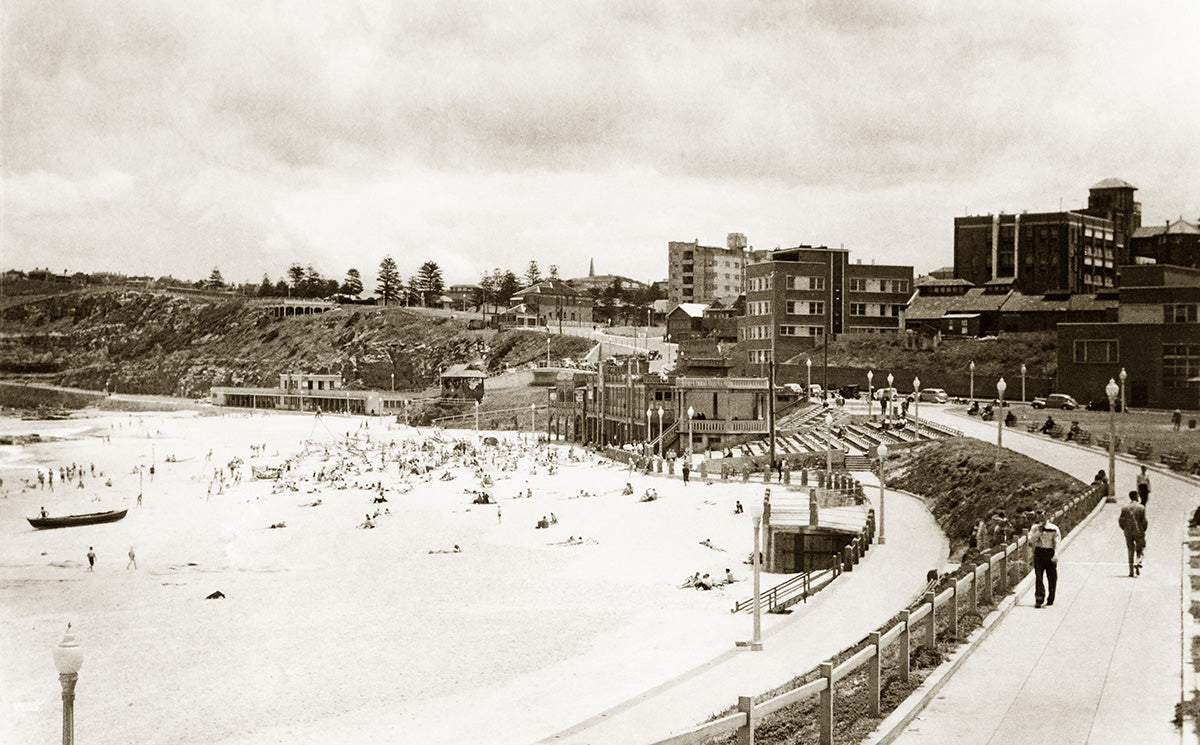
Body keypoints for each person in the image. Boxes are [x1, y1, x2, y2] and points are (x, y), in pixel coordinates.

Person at [1028, 509, 1059, 608]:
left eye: (1043, 517)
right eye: (1039, 517)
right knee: (1039, 576)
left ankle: (1051, 598)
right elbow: (1031, 541)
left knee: (1052, 577)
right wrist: (1039, 532)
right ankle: (1039, 598)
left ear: (1047, 516)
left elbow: (1057, 542)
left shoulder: (1053, 528)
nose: (1041, 519)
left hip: (1050, 552)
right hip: (1039, 552)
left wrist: (1056, 555)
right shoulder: (1034, 528)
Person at [1118, 491, 1148, 577]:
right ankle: (1138, 561)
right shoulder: (1141, 508)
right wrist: (1143, 530)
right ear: (1136, 496)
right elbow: (1144, 521)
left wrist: (1124, 528)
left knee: (1130, 550)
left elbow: (1121, 520)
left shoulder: (1124, 508)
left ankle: (1131, 571)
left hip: (1128, 531)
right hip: (1138, 531)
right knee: (1141, 548)